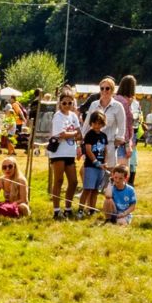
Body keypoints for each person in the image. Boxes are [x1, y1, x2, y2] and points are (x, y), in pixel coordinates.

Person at [46, 90, 82, 218]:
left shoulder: (73, 116)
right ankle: (56, 210)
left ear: (73, 103)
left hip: (70, 152)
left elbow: (80, 134)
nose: (67, 105)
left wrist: (71, 134)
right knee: (59, 180)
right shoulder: (58, 116)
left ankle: (68, 208)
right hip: (58, 153)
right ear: (60, 103)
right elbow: (62, 134)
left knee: (73, 182)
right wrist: (72, 134)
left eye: (69, 102)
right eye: (64, 102)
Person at [79, 112, 112, 217]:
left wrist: (105, 162)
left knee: (95, 190)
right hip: (90, 166)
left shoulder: (103, 136)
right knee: (87, 189)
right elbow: (88, 150)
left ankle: (92, 209)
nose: (97, 126)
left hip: (101, 167)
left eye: (99, 124)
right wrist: (96, 163)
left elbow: (105, 150)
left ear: (103, 124)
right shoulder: (89, 134)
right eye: (95, 123)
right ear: (91, 123)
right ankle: (80, 209)